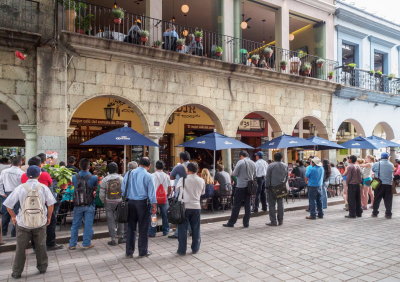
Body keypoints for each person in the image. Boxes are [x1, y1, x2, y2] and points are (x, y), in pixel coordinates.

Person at [3, 165, 56, 279]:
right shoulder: (43, 187)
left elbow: (8, 205)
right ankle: (42, 267)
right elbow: (51, 204)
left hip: (23, 223)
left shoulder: (20, 188)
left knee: (20, 248)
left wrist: (13, 217)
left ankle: (17, 272)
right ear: (39, 174)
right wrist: (49, 217)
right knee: (41, 245)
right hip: (40, 222)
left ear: (26, 175)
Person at [21, 156, 63, 250]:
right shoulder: (44, 174)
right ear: (40, 165)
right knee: (50, 222)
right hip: (45, 203)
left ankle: (35, 246)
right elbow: (51, 185)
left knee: (33, 224)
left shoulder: (24, 176)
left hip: (30, 204)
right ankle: (50, 243)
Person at [122, 157, 157, 258]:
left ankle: (129, 251)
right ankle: (142, 251)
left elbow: (123, 189)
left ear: (139, 164)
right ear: (149, 166)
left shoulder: (129, 173)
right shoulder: (148, 176)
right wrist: (154, 205)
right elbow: (152, 193)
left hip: (130, 202)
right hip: (142, 203)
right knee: (143, 228)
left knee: (130, 228)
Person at [176, 162, 205, 255]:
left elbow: (177, 190)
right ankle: (195, 248)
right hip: (196, 206)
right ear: (197, 170)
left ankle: (181, 250)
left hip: (184, 206)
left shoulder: (183, 179)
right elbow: (203, 193)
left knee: (182, 229)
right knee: (196, 228)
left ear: (187, 170)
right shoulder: (201, 180)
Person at [68, 158, 98, 250]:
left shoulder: (74, 177)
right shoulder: (94, 178)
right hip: (89, 204)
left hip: (78, 204)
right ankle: (86, 243)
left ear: (79, 166)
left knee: (75, 225)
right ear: (89, 166)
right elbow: (95, 190)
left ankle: (72, 244)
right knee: (88, 225)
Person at [223, 151, 256, 228]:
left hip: (240, 186)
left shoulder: (240, 162)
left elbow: (234, 174)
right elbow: (255, 175)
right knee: (248, 205)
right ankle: (246, 223)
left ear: (241, 156)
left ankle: (231, 223)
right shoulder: (253, 163)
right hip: (249, 186)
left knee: (236, 205)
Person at [100, 162, 125, 246]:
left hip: (109, 202)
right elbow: (124, 191)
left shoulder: (104, 179)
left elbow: (102, 194)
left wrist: (104, 201)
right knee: (120, 219)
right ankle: (121, 237)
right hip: (119, 201)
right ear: (117, 169)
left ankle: (113, 239)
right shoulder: (121, 178)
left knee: (111, 220)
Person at [169, 151, 190, 239]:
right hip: (190, 192)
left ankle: (178, 233)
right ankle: (191, 230)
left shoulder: (178, 167)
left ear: (181, 159)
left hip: (180, 193)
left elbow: (171, 177)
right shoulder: (193, 166)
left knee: (180, 213)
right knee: (188, 212)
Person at [0, 157, 24, 237]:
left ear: (11, 163)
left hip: (6, 193)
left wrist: (2, 192)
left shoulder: (4, 171)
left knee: (5, 213)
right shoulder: (21, 173)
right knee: (17, 213)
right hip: (17, 193)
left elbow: (0, 183)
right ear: (20, 163)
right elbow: (22, 185)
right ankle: (14, 233)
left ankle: (3, 232)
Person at [149, 160, 171, 237]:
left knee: (153, 215)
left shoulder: (152, 175)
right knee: (165, 215)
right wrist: (167, 195)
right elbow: (169, 188)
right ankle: (166, 230)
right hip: (164, 198)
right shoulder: (167, 176)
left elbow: (150, 188)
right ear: (163, 167)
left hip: (154, 198)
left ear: (156, 167)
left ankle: (152, 231)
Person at [265, 152, 288, 226]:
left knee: (271, 205)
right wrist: (284, 183)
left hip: (272, 187)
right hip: (281, 186)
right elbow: (287, 177)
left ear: (274, 158)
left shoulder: (271, 165)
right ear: (281, 158)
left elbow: (267, 177)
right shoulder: (285, 165)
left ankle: (273, 221)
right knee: (280, 204)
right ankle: (280, 220)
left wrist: (266, 186)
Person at [372, 152, 394, 219]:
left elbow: (373, 170)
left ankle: (375, 213)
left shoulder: (376, 164)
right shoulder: (391, 164)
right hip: (388, 184)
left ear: (381, 157)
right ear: (387, 157)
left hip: (379, 184)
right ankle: (388, 214)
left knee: (377, 199)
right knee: (388, 200)